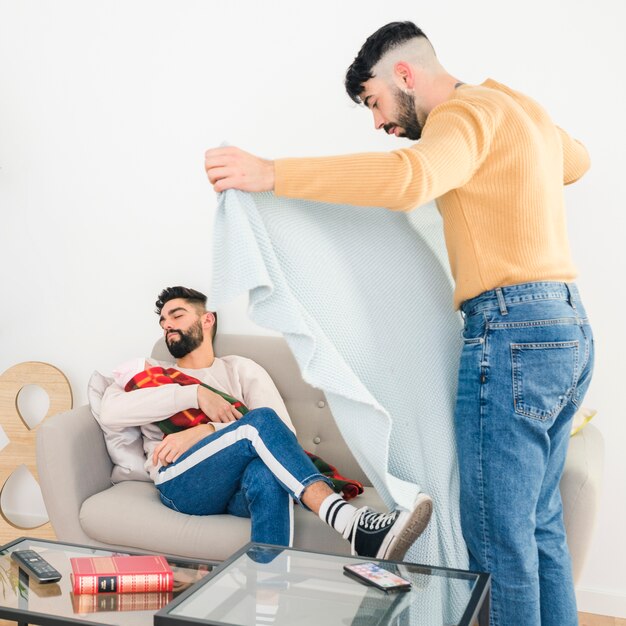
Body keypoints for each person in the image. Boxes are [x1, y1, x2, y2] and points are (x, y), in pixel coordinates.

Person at [203, 21, 594, 626]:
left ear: (404, 76)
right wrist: (515, 117)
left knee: (498, 544)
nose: (379, 123)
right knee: (540, 528)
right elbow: (578, 160)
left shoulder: (460, 118)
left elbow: (410, 179)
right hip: (567, 329)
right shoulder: (512, 109)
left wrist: (272, 173)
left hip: (512, 332)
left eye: (374, 101)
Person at [99, 285, 433, 561]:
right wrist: (194, 396)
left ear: (207, 320)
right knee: (254, 425)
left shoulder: (239, 369)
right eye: (162, 321)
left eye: (177, 315)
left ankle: (266, 600)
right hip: (180, 482)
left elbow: (279, 435)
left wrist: (207, 429)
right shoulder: (152, 375)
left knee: (266, 471)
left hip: (235, 488)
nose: (167, 325)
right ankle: (349, 523)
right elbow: (111, 412)